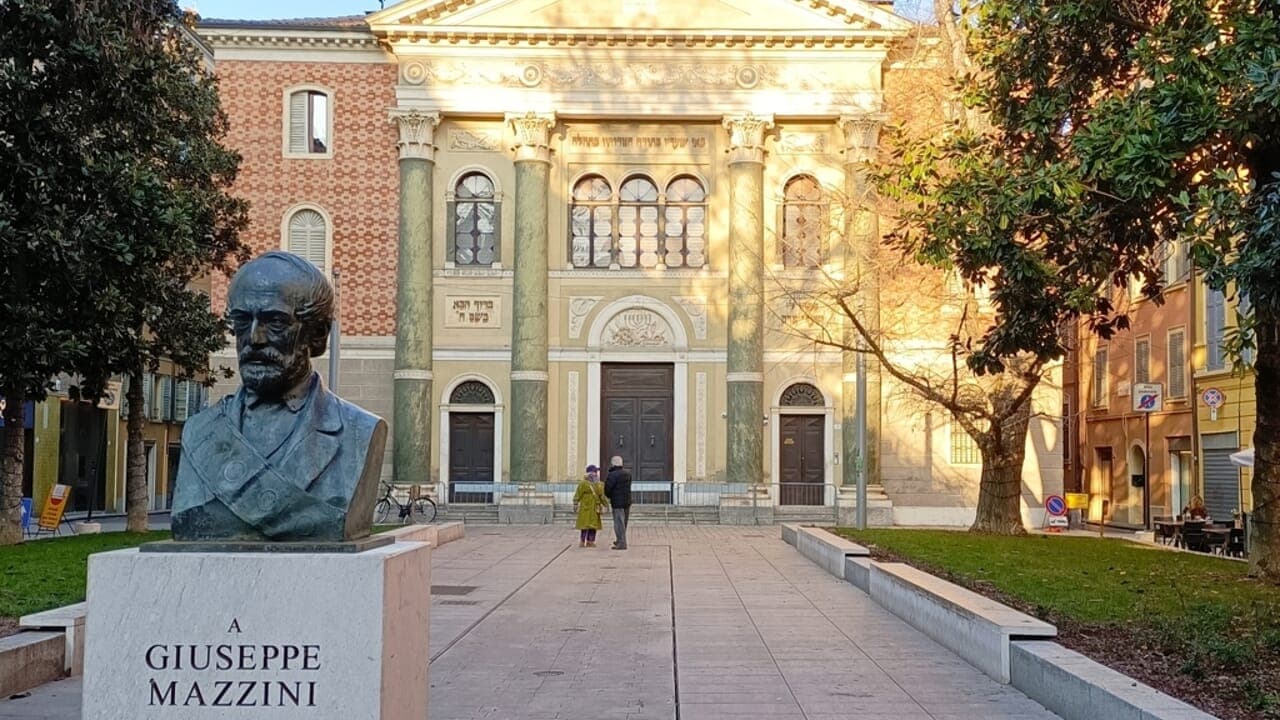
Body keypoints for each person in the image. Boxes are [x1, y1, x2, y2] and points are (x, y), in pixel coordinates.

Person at [171, 251, 387, 543]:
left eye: (275, 322)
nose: (254, 339)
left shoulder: (360, 431)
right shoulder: (200, 431)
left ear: (318, 335)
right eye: (242, 321)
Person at [573, 464, 606, 547]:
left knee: (591, 526)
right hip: (588, 507)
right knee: (586, 525)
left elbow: (602, 495)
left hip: (592, 507)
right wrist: (575, 503)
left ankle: (588, 541)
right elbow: (578, 494)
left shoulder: (598, 484)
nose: (596, 474)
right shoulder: (585, 484)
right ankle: (585, 541)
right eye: (595, 472)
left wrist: (605, 504)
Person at [603, 455, 632, 550]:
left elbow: (608, 488)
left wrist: (608, 496)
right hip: (627, 501)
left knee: (619, 523)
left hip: (617, 502)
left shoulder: (612, 475)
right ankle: (620, 540)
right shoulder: (627, 474)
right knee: (624, 522)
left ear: (613, 464)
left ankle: (622, 543)